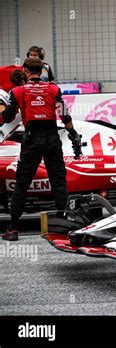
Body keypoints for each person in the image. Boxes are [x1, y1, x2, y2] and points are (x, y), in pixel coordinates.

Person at [0, 58, 80, 241]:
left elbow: (8, 117)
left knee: (22, 183)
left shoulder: (17, 91)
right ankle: (67, 228)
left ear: (26, 71)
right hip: (52, 138)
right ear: (41, 71)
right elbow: (65, 115)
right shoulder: (53, 89)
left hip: (32, 140)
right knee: (59, 182)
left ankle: (12, 229)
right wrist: (73, 133)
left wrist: (3, 110)